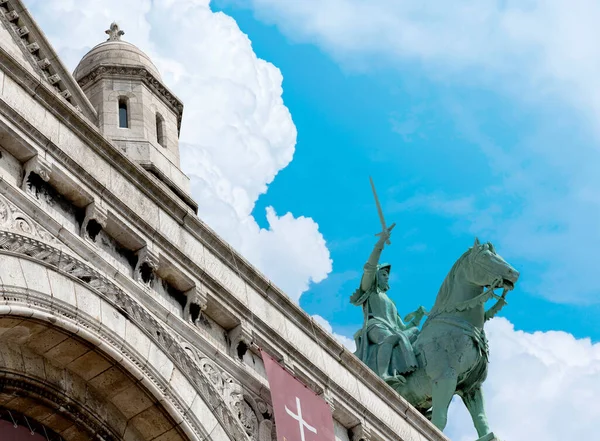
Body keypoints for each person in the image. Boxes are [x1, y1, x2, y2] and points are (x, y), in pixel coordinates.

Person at [350, 227, 426, 386]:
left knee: (416, 333)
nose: (387, 278)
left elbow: (402, 327)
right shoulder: (370, 291)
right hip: (375, 327)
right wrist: (380, 243)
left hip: (392, 329)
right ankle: (383, 374)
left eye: (388, 275)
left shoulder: (391, 303)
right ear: (376, 277)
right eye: (383, 274)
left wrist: (418, 317)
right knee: (391, 338)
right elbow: (369, 267)